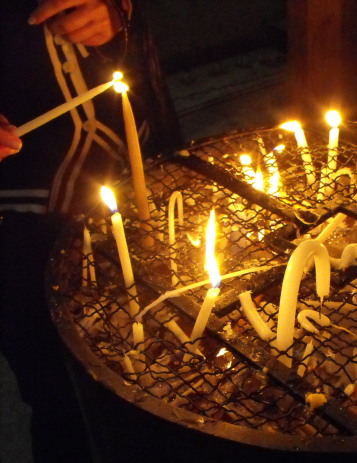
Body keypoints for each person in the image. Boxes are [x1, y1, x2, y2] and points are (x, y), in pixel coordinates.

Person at [0, 1, 181, 461]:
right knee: (64, 397)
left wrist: (119, 7)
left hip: (131, 162)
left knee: (172, 365)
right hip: (22, 227)